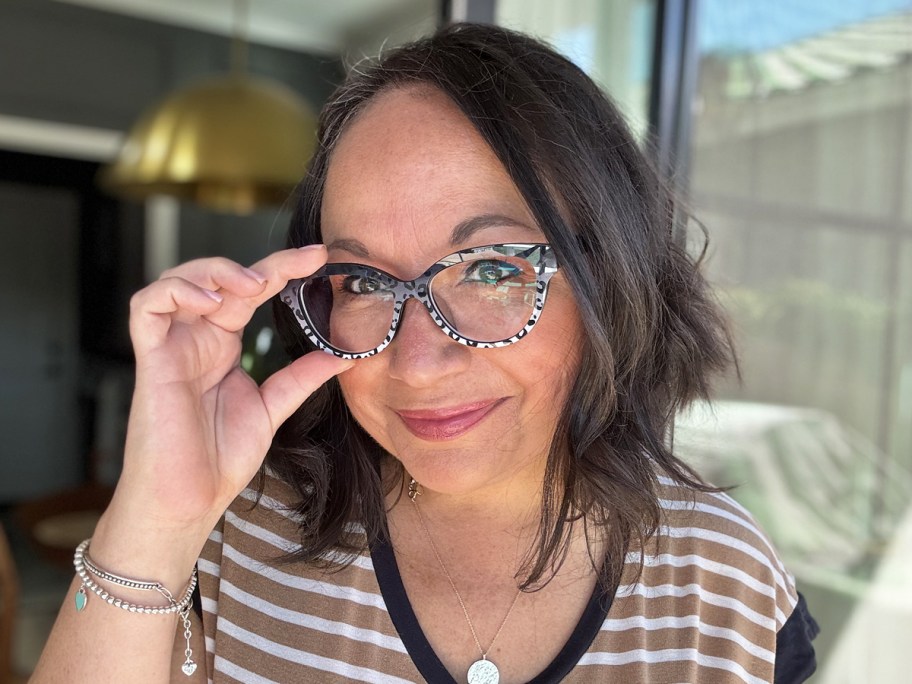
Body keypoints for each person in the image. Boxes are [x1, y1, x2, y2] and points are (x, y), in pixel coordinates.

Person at [32, 22, 817, 684]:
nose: (415, 363)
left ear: (608, 275)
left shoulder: (726, 587)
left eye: (489, 269)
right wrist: (154, 517)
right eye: (364, 279)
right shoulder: (237, 534)